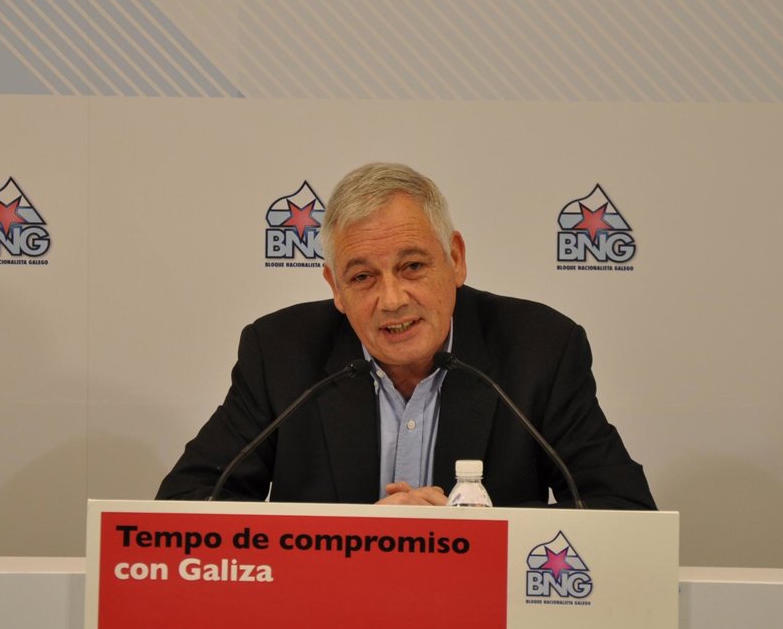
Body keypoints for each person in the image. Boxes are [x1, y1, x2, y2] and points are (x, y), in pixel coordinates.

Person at [157, 163, 655, 509]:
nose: (392, 299)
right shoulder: (280, 352)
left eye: (413, 266)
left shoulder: (539, 349)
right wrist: (358, 538)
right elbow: (186, 506)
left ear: (455, 260)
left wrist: (468, 536)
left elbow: (621, 509)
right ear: (335, 288)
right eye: (362, 277)